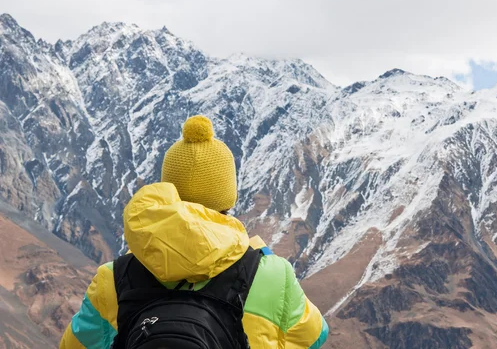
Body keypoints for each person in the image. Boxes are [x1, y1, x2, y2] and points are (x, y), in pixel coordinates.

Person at [60, 115, 328, 349]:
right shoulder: (274, 275)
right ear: (228, 198)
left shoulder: (115, 278)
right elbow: (315, 337)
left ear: (168, 191)